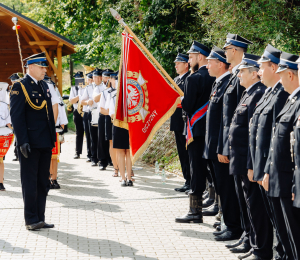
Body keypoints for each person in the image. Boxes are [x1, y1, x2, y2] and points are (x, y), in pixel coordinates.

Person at [248, 44, 290, 260]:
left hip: (272, 169)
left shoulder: (282, 95)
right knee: (273, 218)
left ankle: (280, 254)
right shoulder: (269, 94)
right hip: (263, 167)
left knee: (281, 222)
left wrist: (265, 169)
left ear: (274, 68)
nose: (259, 71)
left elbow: (276, 140)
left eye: (262, 67)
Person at [10, 52, 56, 230]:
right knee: (29, 182)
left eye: (45, 67)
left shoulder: (44, 85)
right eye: (41, 66)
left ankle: (40, 217)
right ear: (30, 67)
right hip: (29, 143)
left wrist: (52, 138)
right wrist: (22, 141)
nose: (45, 70)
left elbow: (48, 115)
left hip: (45, 141)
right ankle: (30, 219)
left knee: (43, 182)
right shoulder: (20, 86)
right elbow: (17, 116)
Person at [263, 51, 300, 260]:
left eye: (282, 72)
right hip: (280, 178)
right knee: (287, 237)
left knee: (295, 237)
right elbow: (275, 140)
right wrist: (269, 169)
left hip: (289, 182)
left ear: (291, 75)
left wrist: (296, 185)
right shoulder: (290, 100)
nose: (278, 76)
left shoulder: (297, 102)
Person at [203, 46, 242, 240]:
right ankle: (229, 222)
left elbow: (228, 121)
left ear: (220, 64)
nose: (207, 65)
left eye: (210, 62)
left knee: (227, 190)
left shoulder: (230, 82)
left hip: (222, 147)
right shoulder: (218, 83)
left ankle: (233, 226)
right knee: (222, 189)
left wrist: (222, 147)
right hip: (214, 146)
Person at [175, 41, 215, 223]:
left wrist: (181, 100)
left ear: (200, 57)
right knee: (212, 171)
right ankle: (217, 206)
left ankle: (195, 211)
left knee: (196, 170)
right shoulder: (217, 76)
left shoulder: (193, 78)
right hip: (212, 131)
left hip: (196, 131)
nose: (189, 61)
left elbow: (189, 106)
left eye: (190, 57)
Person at [218, 34, 252, 244]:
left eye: (228, 49)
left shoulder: (243, 76)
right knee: (236, 191)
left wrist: (228, 146)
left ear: (236, 51)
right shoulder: (234, 75)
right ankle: (240, 230)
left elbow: (238, 117)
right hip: (230, 142)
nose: (226, 52)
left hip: (238, 146)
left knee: (240, 192)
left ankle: (241, 230)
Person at [171, 53, 191, 193]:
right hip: (177, 121)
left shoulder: (189, 79)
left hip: (185, 121)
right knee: (181, 153)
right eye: (175, 63)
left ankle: (191, 180)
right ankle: (187, 179)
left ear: (186, 64)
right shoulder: (176, 80)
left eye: (179, 63)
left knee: (188, 153)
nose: (176, 65)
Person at [44, 75, 67, 189]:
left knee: (54, 157)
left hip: (55, 131)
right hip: (44, 131)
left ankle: (54, 179)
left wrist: (62, 136)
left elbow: (62, 122)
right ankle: (47, 178)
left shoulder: (59, 103)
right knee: (46, 157)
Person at [93, 69, 112, 170]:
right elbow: (95, 99)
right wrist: (106, 90)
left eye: (108, 77)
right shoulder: (99, 87)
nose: (106, 79)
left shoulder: (116, 87)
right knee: (101, 138)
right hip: (102, 114)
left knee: (111, 138)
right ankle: (102, 160)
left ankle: (111, 159)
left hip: (111, 114)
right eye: (105, 77)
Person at [81, 71, 98, 165]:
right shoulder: (88, 88)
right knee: (91, 136)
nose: (92, 80)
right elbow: (82, 101)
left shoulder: (103, 86)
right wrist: (88, 102)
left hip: (101, 112)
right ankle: (92, 156)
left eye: (93, 78)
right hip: (90, 113)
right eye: (90, 78)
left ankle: (102, 157)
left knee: (101, 137)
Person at [104, 71, 118, 177]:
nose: (115, 81)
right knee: (112, 143)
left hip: (123, 119)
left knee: (127, 145)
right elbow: (103, 109)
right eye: (114, 79)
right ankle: (116, 168)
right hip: (110, 119)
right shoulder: (107, 92)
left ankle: (129, 168)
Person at [69, 72, 85, 159]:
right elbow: (72, 101)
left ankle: (91, 154)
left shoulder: (87, 87)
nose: (78, 80)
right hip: (77, 111)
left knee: (89, 133)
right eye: (76, 78)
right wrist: (79, 96)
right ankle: (77, 152)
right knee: (79, 132)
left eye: (79, 78)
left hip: (85, 111)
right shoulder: (74, 88)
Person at [0, 82, 12, 191]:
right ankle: (1, 183)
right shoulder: (4, 105)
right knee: (1, 160)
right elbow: (9, 123)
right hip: (3, 134)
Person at [8, 73, 23, 162]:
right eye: (12, 80)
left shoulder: (21, 87)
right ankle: (16, 153)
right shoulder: (10, 89)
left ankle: (17, 153)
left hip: (19, 114)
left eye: (15, 80)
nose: (13, 82)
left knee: (18, 135)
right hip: (10, 115)